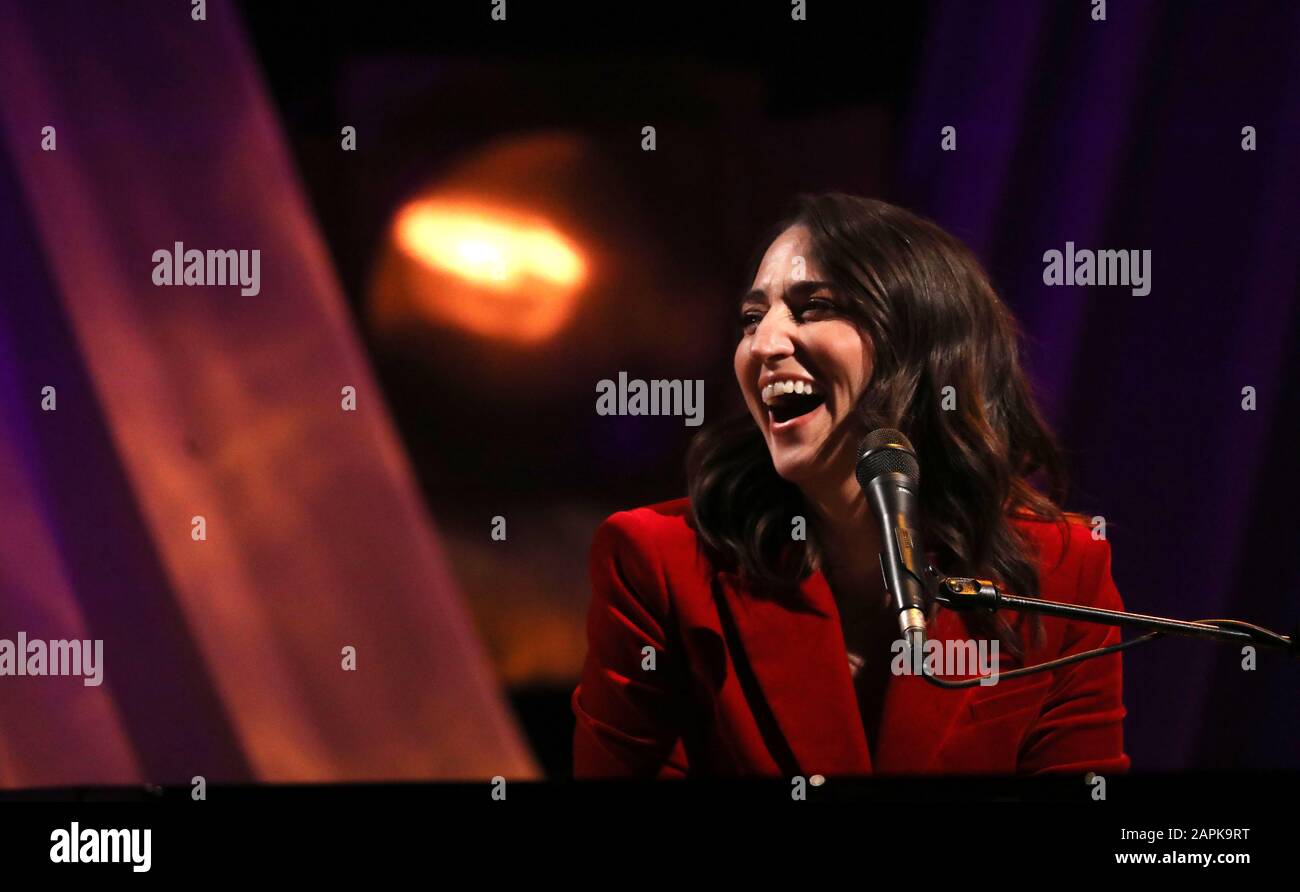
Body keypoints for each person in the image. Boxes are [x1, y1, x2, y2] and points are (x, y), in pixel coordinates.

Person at [571, 193, 1129, 778]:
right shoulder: (656, 560)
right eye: (752, 319)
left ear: (925, 346)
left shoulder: (1065, 570)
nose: (764, 345)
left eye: (812, 308)